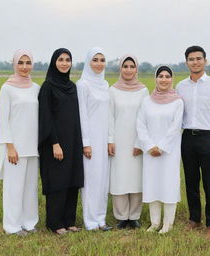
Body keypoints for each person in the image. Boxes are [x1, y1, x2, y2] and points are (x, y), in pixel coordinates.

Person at [176, 46, 210, 239]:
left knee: (209, 182)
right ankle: (194, 219)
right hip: (187, 137)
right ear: (186, 62)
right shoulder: (180, 86)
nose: (195, 62)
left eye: (199, 58)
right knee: (190, 181)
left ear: (205, 61)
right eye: (191, 59)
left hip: (208, 138)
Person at [38, 48, 84, 235]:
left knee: (72, 180)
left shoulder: (72, 87)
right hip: (55, 143)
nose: (64, 63)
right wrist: (54, 143)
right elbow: (46, 117)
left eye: (68, 60)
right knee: (58, 182)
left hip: (73, 141)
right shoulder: (48, 86)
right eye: (60, 59)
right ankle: (55, 223)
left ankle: (69, 220)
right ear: (53, 62)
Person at [137, 66, 183, 234]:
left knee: (168, 184)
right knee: (153, 184)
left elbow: (175, 127)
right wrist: (149, 146)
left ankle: (167, 224)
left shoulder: (178, 101)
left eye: (167, 76)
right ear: (155, 78)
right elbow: (140, 124)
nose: (164, 79)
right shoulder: (147, 101)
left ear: (172, 79)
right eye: (160, 76)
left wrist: (161, 147)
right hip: (150, 152)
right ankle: (155, 222)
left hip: (168, 152)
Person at [0, 49, 39, 236]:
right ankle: (12, 226)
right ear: (14, 64)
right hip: (15, 148)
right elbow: (3, 120)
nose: (24, 67)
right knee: (14, 188)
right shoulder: (7, 88)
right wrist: (10, 146)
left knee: (30, 189)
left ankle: (29, 223)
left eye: (28, 63)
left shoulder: (36, 88)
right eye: (20, 63)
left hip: (33, 147)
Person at [108, 54, 148, 229]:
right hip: (118, 140)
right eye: (125, 66)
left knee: (136, 177)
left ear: (136, 69)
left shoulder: (143, 90)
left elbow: (145, 118)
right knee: (119, 177)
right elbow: (109, 117)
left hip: (136, 141)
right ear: (120, 68)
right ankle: (122, 216)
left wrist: (140, 142)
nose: (129, 70)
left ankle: (134, 216)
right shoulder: (112, 90)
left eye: (132, 66)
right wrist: (110, 140)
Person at [76, 47, 111, 231]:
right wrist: (86, 143)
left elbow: (108, 114)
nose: (99, 63)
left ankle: (101, 219)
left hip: (104, 140)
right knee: (91, 180)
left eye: (102, 60)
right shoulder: (83, 85)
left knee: (103, 179)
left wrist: (110, 139)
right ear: (88, 62)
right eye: (95, 60)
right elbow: (82, 115)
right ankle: (90, 222)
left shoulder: (105, 85)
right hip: (90, 140)